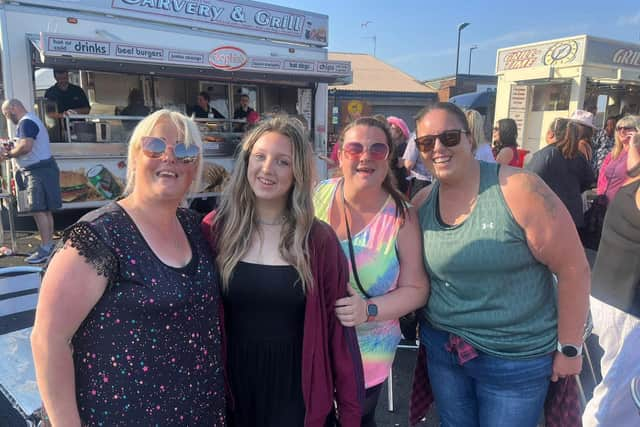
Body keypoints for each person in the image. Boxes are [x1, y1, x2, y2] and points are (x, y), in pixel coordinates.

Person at [30, 110, 226, 426]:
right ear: (134, 158)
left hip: (199, 413)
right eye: (155, 146)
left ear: (195, 170)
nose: (170, 157)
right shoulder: (100, 235)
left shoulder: (196, 229)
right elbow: (48, 339)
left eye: (185, 151)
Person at [412, 102, 590, 427]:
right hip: (445, 351)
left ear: (469, 138)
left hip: (515, 360)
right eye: (426, 142)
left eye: (449, 137)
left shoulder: (519, 189)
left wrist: (569, 347)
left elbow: (573, 268)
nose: (438, 148)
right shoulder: (422, 203)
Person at [201, 116, 364, 427]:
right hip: (232, 389)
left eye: (282, 162)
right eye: (259, 157)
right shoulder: (215, 230)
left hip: (297, 393)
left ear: (297, 173)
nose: (267, 169)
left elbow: (339, 337)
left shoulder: (318, 241)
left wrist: (351, 415)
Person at [313, 117, 429, 426]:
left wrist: (368, 309)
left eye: (377, 149)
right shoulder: (317, 196)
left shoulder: (401, 215)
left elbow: (417, 289)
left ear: (389, 156)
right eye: (355, 148)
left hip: (366, 353)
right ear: (340, 154)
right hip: (311, 345)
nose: (365, 156)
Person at [582, 130, 640, 426]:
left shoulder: (631, 188)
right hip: (625, 305)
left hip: (613, 297)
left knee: (616, 386)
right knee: (616, 395)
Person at [1, 99, 61, 263]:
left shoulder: (26, 122)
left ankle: (46, 248)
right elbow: (24, 144)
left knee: (38, 209)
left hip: (37, 170)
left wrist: (9, 154)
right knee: (45, 210)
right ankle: (48, 246)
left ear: (13, 108)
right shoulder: (30, 120)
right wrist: (13, 147)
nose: (8, 118)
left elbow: (26, 147)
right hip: (42, 168)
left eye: (6, 114)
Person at [526, 117, 596, 229]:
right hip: (573, 218)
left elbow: (528, 184)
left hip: (549, 218)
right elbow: (589, 182)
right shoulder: (579, 156)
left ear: (550, 134)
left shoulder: (545, 155)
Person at [597, 115, 639, 203]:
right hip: (606, 203)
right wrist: (600, 195)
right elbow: (602, 177)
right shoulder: (613, 153)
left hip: (624, 205)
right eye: (619, 128)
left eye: (627, 128)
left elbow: (636, 173)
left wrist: (633, 144)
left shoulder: (636, 154)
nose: (622, 131)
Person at [402, 130, 433, 198]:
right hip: (438, 182)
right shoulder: (441, 131)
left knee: (416, 207)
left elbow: (409, 164)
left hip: (420, 182)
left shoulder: (418, 135)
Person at [386, 115, 411, 194]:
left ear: (399, 132)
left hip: (399, 180)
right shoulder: (394, 145)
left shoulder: (403, 146)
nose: (390, 130)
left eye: (392, 128)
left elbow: (397, 163)